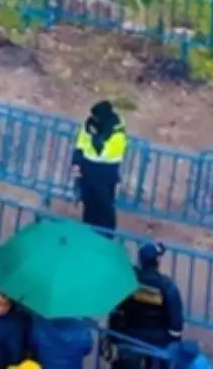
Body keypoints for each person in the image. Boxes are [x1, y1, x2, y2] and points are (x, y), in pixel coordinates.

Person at [107, 243, 184, 363]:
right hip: (158, 341)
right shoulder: (168, 287)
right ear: (157, 262)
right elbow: (176, 328)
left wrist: (114, 338)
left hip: (130, 336)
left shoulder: (128, 281)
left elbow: (116, 311)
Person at [71, 99, 127, 231]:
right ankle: (88, 232)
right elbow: (81, 143)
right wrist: (76, 162)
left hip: (105, 173)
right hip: (87, 171)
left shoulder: (117, 129)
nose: (93, 119)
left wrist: (96, 137)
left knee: (105, 208)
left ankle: (107, 235)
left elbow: (105, 152)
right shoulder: (90, 124)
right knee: (89, 205)